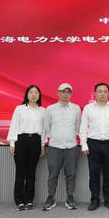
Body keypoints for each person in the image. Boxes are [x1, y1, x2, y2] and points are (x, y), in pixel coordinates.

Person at [79, 82, 109, 211]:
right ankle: (94, 199)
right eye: (100, 91)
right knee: (94, 174)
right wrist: (84, 145)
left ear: (108, 93)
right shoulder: (88, 108)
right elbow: (83, 128)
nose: (102, 94)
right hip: (93, 144)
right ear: (95, 93)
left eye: (105, 91)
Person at [7, 85, 46, 211]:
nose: (33, 95)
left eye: (36, 92)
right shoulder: (19, 109)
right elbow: (14, 125)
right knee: (20, 173)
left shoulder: (43, 111)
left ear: (39, 95)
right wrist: (12, 143)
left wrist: (42, 145)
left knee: (31, 173)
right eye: (31, 92)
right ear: (27, 95)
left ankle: (29, 200)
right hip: (21, 141)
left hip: (36, 141)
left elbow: (44, 129)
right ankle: (19, 201)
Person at [43, 83, 81, 211]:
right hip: (54, 146)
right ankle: (50, 198)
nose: (65, 94)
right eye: (63, 92)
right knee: (53, 174)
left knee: (71, 174)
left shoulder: (76, 109)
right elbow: (47, 128)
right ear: (58, 93)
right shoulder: (50, 109)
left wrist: (71, 137)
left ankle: (70, 198)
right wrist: (53, 137)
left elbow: (77, 128)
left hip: (71, 146)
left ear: (71, 94)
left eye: (68, 92)